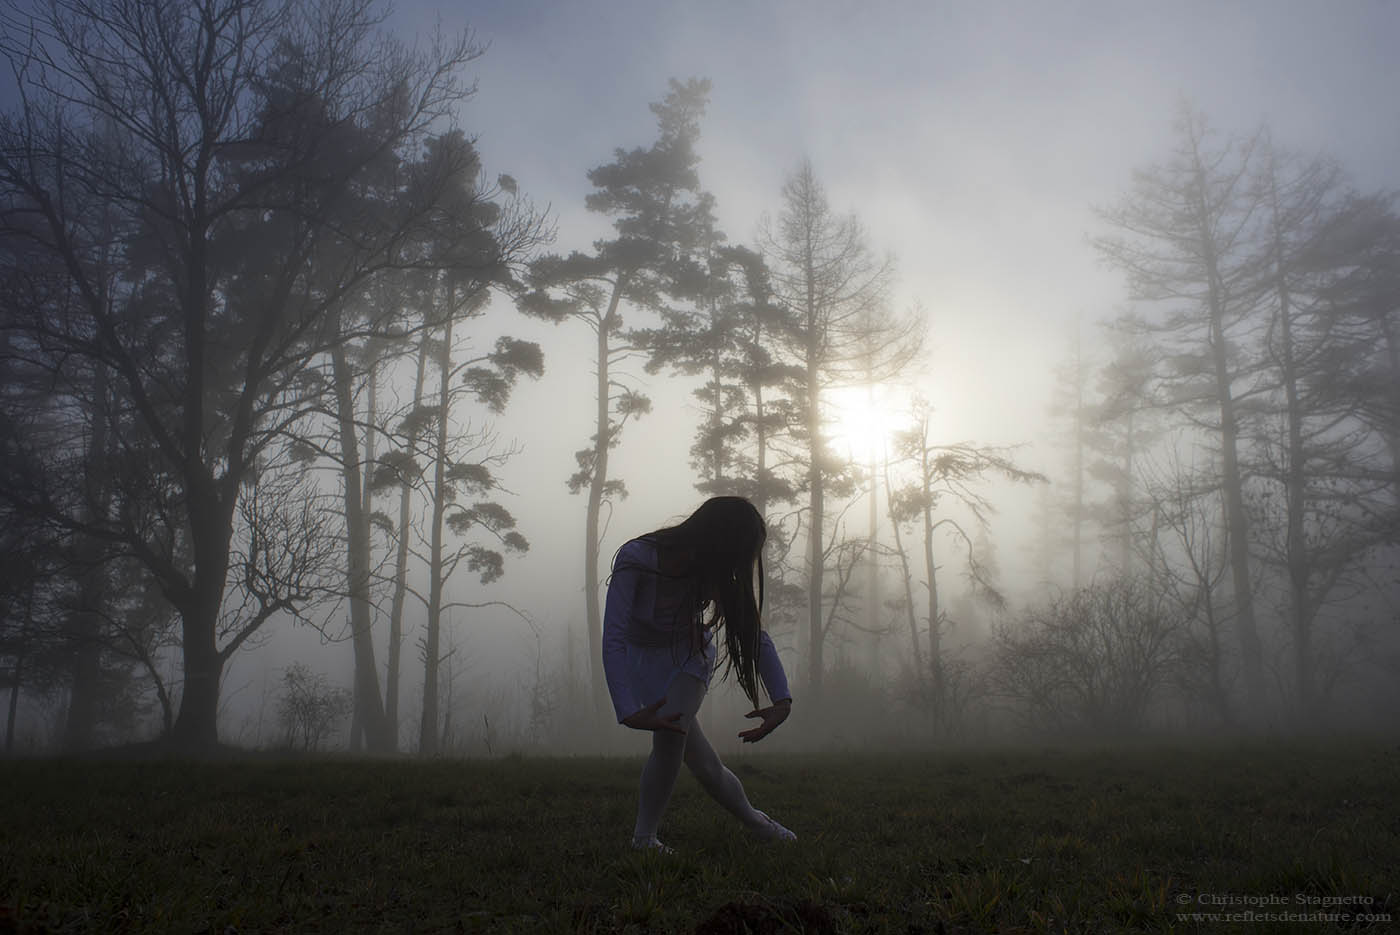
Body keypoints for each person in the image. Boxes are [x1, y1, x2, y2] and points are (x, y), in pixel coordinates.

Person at [602, 496, 797, 853]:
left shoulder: (717, 571)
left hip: (689, 658)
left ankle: (644, 838)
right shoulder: (636, 558)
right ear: (718, 541)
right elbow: (614, 634)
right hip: (641, 663)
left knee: (670, 739)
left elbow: (753, 634)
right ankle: (757, 821)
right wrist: (626, 708)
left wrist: (781, 699)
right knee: (704, 764)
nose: (735, 569)